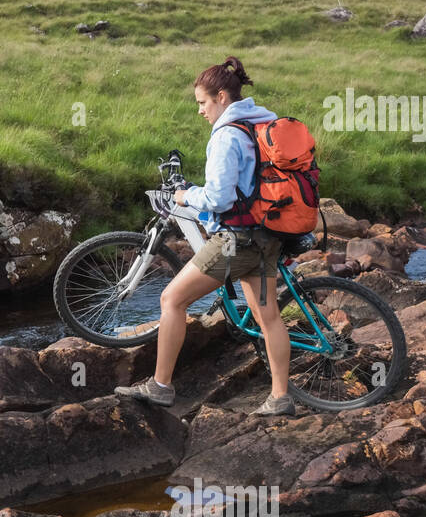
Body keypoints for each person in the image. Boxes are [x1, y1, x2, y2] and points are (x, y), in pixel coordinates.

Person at [116, 56, 295, 416]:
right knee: (269, 316)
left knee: (171, 300)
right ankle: (280, 398)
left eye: (202, 102)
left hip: (235, 241)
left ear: (222, 98)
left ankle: (160, 386)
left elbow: (219, 198)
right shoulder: (263, 121)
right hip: (267, 233)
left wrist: (186, 195)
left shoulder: (228, 135)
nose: (200, 111)